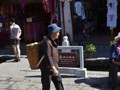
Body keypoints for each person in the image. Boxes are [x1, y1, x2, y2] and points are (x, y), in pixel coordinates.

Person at [39, 23, 64, 90]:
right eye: (58, 32)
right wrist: (53, 68)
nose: (59, 33)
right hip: (47, 69)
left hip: (54, 67)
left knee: (59, 85)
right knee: (46, 87)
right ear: (53, 33)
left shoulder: (52, 41)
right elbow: (48, 56)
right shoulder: (46, 42)